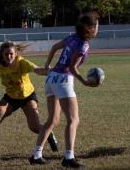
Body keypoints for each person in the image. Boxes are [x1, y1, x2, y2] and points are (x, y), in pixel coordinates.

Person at [29, 12, 100, 168]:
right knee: (74, 120)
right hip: (63, 79)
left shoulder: (71, 37)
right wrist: (85, 82)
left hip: (51, 78)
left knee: (52, 120)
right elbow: (73, 68)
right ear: (90, 28)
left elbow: (54, 47)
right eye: (96, 25)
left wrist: (48, 64)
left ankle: (36, 154)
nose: (97, 28)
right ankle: (68, 157)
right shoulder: (83, 44)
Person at [0, 41, 59, 161]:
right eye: (6, 54)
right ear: (2, 55)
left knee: (34, 127)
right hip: (10, 97)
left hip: (27, 96)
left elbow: (37, 70)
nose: (8, 57)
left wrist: (49, 71)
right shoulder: (0, 66)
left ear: (15, 54)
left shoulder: (22, 63)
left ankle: (48, 133)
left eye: (11, 54)